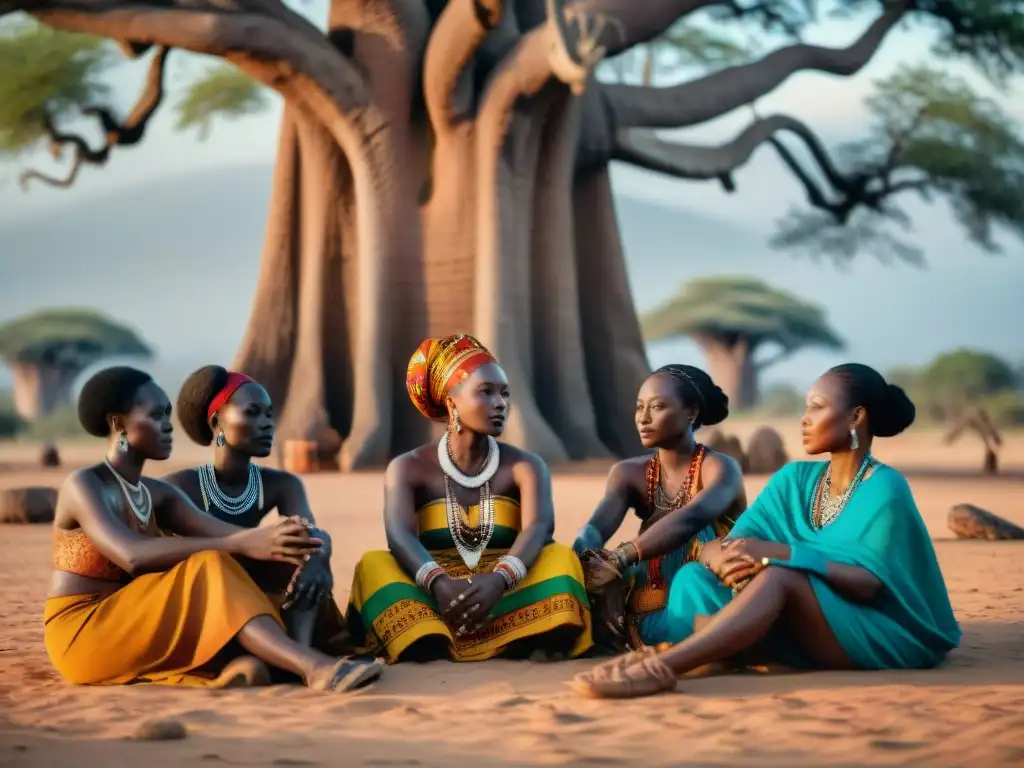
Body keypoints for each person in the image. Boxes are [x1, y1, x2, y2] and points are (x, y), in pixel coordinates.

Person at [572, 363, 962, 698]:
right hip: (801, 622)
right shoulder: (794, 479)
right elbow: (736, 540)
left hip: (871, 628)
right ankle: (724, 650)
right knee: (693, 578)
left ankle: (664, 666)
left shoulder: (884, 487)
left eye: (817, 408)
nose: (804, 419)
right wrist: (717, 556)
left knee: (778, 580)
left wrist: (782, 556)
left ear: (855, 417)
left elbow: (867, 584)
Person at [44, 366, 382, 692]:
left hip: (139, 617)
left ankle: (279, 660)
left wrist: (307, 549)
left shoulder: (159, 494)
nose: (167, 426)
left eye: (167, 415)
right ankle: (314, 668)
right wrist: (240, 542)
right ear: (118, 424)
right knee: (212, 562)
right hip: (86, 630)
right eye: (155, 416)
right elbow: (131, 555)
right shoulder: (85, 485)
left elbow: (228, 536)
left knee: (275, 559)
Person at [346, 334, 592, 662]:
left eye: (505, 393)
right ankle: (494, 639)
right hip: (435, 592)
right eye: (486, 392)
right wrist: (440, 585)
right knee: (373, 565)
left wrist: (498, 581)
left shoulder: (526, 466)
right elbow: (399, 536)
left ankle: (445, 641)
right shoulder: (407, 467)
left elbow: (538, 528)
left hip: (505, 588)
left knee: (561, 557)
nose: (500, 403)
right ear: (451, 402)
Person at [164, 365, 348, 656]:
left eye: (269, 414)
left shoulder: (281, 484)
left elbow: (306, 532)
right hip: (204, 600)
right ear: (216, 424)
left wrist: (319, 553)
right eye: (252, 412)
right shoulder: (181, 486)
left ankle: (298, 650)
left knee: (311, 555)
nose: (266, 424)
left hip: (256, 592)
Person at [573, 364, 746, 652]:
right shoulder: (629, 474)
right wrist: (591, 563)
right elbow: (594, 527)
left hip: (708, 599)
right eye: (639, 407)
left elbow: (691, 518)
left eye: (657, 407)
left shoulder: (720, 468)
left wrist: (621, 557)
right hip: (644, 613)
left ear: (690, 413)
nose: (644, 418)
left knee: (701, 535)